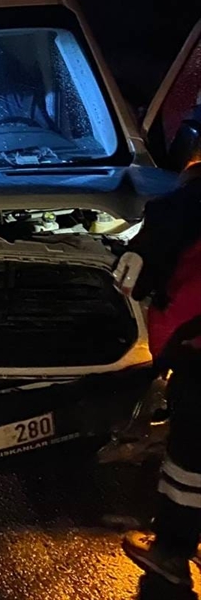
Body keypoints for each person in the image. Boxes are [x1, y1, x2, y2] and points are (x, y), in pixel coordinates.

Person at [114, 159, 201, 587]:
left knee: (191, 456)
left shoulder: (189, 201)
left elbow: (166, 226)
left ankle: (172, 550)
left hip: (197, 348)